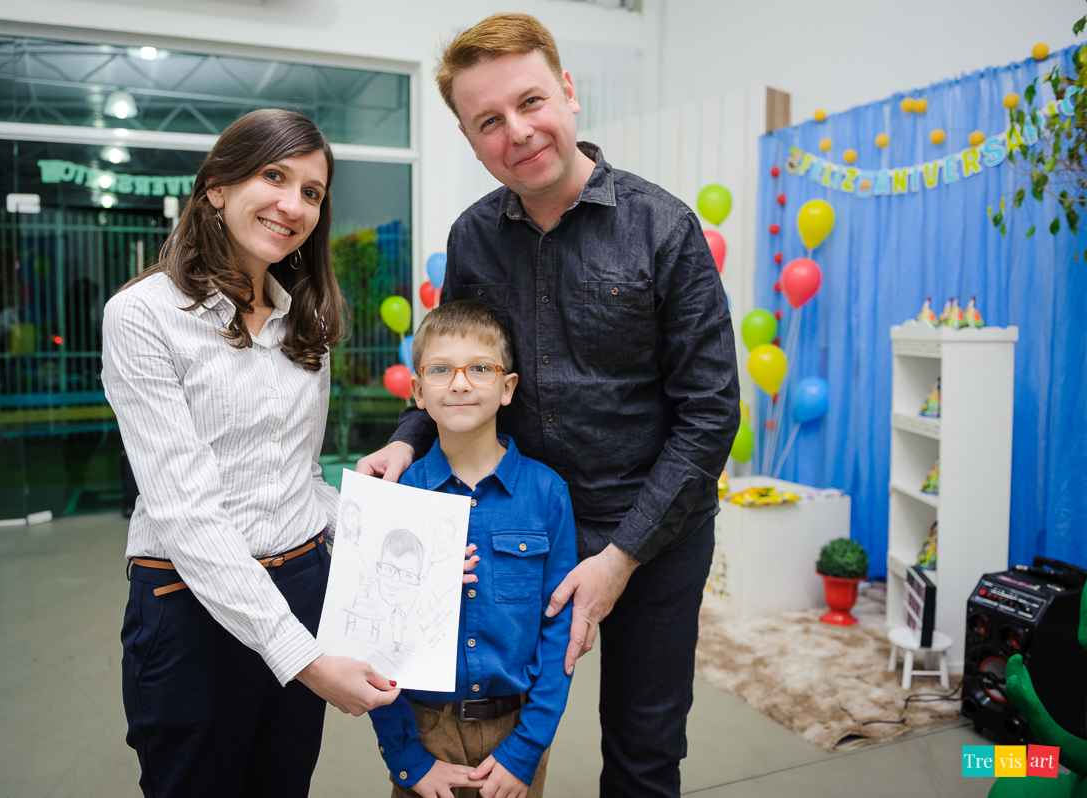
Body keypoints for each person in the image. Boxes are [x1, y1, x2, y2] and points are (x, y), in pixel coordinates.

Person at [357, 14, 740, 798]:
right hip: (514, 527)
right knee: (487, 734)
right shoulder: (473, 237)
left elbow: (709, 414)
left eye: (531, 101)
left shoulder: (664, 228)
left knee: (644, 752)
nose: (518, 131)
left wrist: (620, 556)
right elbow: (459, 363)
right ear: (469, 139)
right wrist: (406, 438)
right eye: (489, 121)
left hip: (654, 537)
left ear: (567, 90)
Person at [102, 109, 404, 798]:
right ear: (216, 186)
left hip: (303, 585)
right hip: (189, 604)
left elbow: (300, 480)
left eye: (312, 192)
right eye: (274, 176)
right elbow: (185, 513)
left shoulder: (307, 320)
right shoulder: (144, 315)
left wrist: (399, 539)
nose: (293, 205)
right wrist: (305, 659)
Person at [369, 300, 578, 798]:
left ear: (508, 387)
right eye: (441, 369)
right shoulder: (398, 497)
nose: (460, 384)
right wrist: (407, 760)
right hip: (422, 728)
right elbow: (377, 641)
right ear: (418, 392)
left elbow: (559, 632)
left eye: (481, 369)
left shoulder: (547, 494)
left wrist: (528, 748)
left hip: (517, 730)